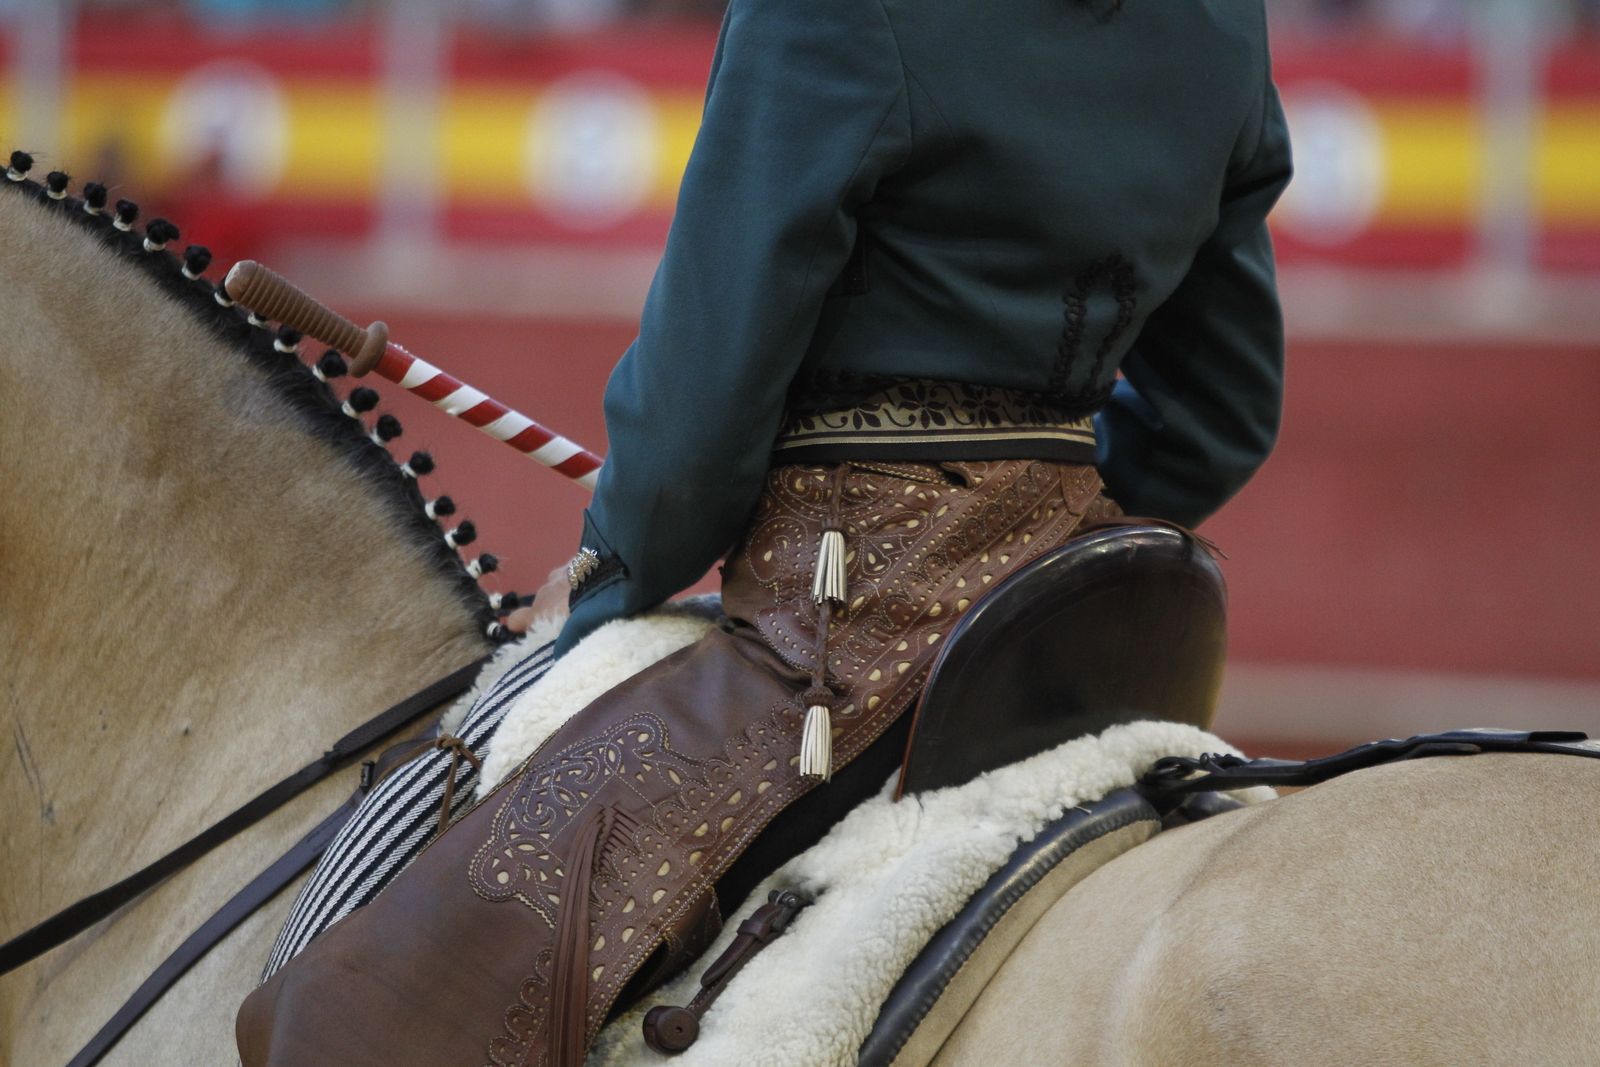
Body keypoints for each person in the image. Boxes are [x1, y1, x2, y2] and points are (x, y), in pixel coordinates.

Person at [239, 0, 1291, 1063]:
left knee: (354, 1027)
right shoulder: (1216, 22)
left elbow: (701, 409)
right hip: (1080, 615)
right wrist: (1042, 529)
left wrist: (614, 564)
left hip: (838, 629)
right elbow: (1218, 412)